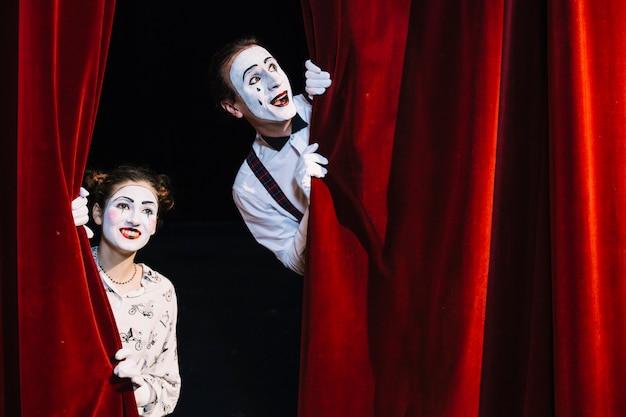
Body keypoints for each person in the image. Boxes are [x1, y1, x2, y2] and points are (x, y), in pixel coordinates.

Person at [208, 36, 332, 275]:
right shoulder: (249, 187)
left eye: (272, 67)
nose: (275, 81)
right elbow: (297, 263)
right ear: (233, 107)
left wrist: (339, 91)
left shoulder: (322, 99)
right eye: (255, 79)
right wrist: (314, 205)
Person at [72, 165, 181, 417]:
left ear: (153, 226)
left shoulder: (160, 290)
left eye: (147, 210)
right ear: (97, 213)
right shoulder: (72, 270)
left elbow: (167, 387)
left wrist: (139, 391)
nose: (134, 219)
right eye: (123, 206)